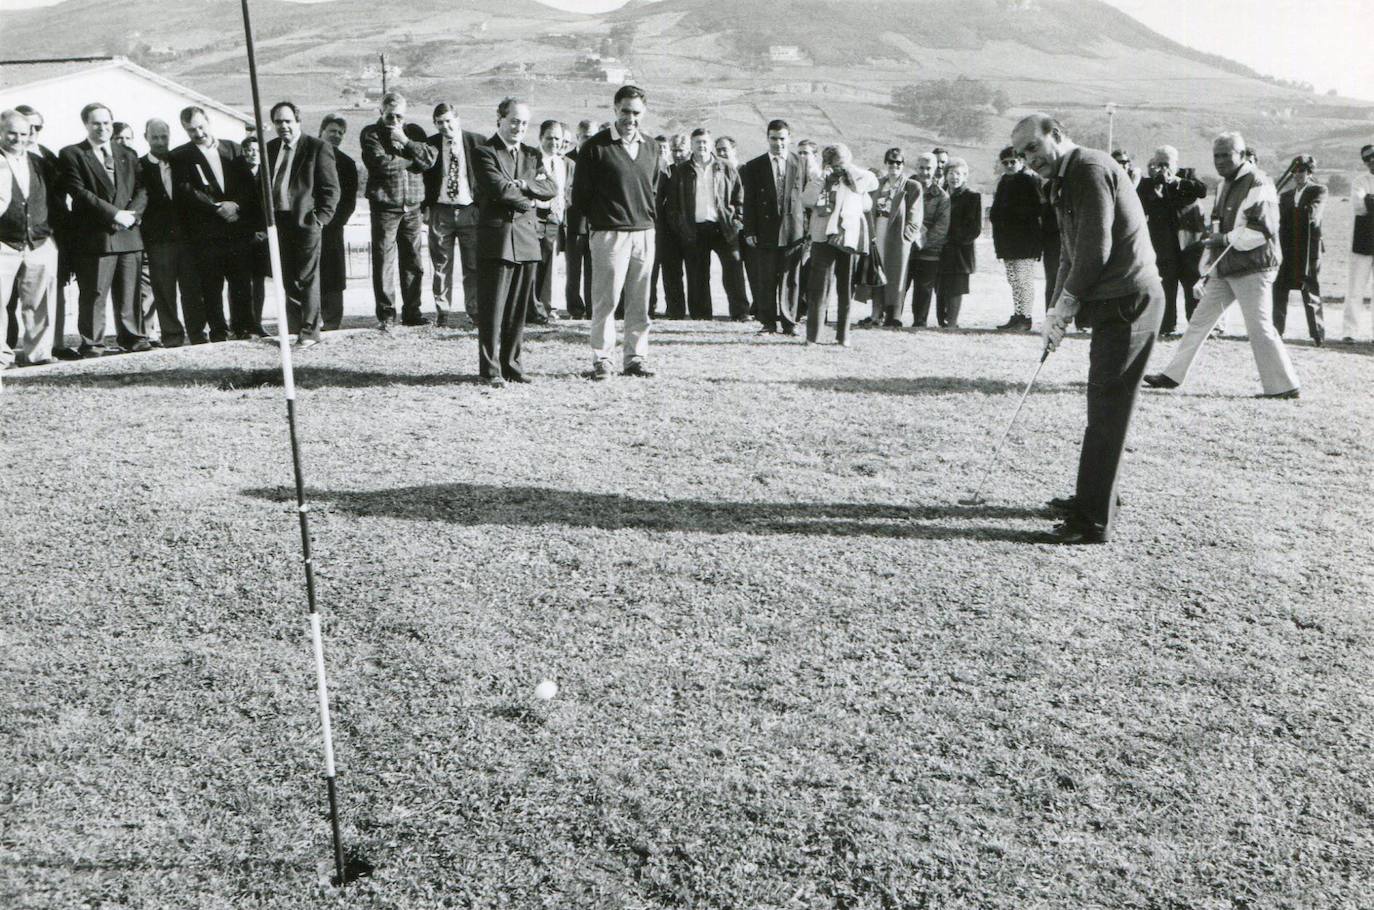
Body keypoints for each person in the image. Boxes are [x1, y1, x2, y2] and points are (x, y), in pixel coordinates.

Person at [1012, 113, 1163, 545]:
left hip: (1130, 300)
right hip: (1113, 301)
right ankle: (1094, 497)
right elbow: (1069, 253)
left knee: (1108, 409)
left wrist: (1069, 302)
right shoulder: (1062, 178)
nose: (1028, 160)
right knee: (1102, 405)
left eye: (1034, 149)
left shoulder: (1089, 169)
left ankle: (1093, 519)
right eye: (1022, 154)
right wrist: (1054, 312)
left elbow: (1096, 249)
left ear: (1056, 136)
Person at [1144, 132, 1299, 397]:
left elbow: (1263, 230)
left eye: (1226, 154)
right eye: (1216, 155)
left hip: (1254, 267)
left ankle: (1284, 386)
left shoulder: (1258, 182)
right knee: (1199, 323)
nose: (1220, 160)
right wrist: (1208, 265)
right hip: (1226, 267)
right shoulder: (1225, 184)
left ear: (1240, 154)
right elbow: (1217, 225)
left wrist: (1221, 239)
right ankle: (1172, 375)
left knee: (1259, 327)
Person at [571, 84, 662, 380]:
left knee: (639, 301)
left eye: (636, 112)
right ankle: (602, 359)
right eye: (625, 111)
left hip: (644, 233)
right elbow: (581, 197)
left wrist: (646, 223)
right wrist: (598, 225)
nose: (630, 118)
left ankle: (635, 358)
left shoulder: (652, 146)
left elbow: (654, 189)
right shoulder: (595, 147)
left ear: (644, 113)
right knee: (606, 300)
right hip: (609, 234)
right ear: (614, 109)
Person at [472, 97, 556, 386]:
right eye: (514, 121)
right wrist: (529, 199)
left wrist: (522, 184)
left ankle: (512, 366)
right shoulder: (484, 152)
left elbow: (551, 187)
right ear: (500, 118)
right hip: (497, 240)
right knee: (493, 310)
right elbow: (498, 190)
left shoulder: (533, 155)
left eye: (523, 123)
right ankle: (490, 370)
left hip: (525, 241)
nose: (519, 127)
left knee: (517, 311)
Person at [59, 101, 148, 356]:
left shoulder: (127, 153)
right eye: (96, 123)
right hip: (96, 236)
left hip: (129, 234)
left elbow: (142, 188)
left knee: (130, 292)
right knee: (94, 293)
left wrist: (132, 216)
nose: (102, 128)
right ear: (85, 124)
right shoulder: (72, 154)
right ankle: (93, 343)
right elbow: (78, 191)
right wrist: (114, 214)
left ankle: (133, 338)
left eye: (106, 122)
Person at [170, 105, 254, 343]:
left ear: (209, 122)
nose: (198, 133)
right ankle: (219, 330)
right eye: (191, 130)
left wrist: (235, 205)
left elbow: (248, 184)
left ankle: (243, 327)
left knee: (240, 282)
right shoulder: (180, 156)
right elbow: (187, 190)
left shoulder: (234, 149)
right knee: (211, 285)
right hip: (207, 231)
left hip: (236, 227)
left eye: (200, 127)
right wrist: (218, 208)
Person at [265, 100, 340, 348]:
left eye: (287, 121)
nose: (283, 126)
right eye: (278, 122)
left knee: (307, 277)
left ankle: (310, 332)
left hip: (306, 222)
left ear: (298, 121)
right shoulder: (271, 149)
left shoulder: (317, 148)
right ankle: (295, 328)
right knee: (287, 278)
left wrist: (320, 220)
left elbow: (331, 189)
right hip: (279, 222)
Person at [360, 92, 437, 328]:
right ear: (380, 113)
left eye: (399, 116)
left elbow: (430, 160)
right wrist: (413, 162)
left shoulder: (413, 132)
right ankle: (386, 315)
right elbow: (381, 165)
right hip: (385, 207)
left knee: (413, 261)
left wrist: (405, 142)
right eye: (390, 116)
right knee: (384, 261)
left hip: (413, 207)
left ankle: (412, 313)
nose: (395, 121)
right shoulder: (370, 133)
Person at [15, 105, 78, 360]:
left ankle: (53, 345)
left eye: (37, 127)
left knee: (50, 292)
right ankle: (7, 348)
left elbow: (60, 197)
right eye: (26, 127)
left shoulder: (48, 157)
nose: (32, 132)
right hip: (11, 237)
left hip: (48, 235)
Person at [667, 127, 748, 321]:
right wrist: (682, 226)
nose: (701, 146)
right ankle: (701, 314)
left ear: (710, 144)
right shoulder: (682, 171)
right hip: (694, 229)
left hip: (724, 228)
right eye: (697, 142)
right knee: (697, 275)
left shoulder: (725, 167)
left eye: (704, 142)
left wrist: (737, 221)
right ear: (691, 146)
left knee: (733, 271)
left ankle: (740, 312)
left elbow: (739, 197)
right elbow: (673, 204)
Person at [800, 143, 877, 346]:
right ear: (827, 163)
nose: (840, 168)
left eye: (844, 164)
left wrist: (852, 179)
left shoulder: (856, 178)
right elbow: (807, 200)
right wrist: (820, 179)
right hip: (823, 238)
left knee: (846, 287)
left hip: (848, 238)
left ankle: (843, 335)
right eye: (836, 165)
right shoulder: (819, 177)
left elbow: (868, 200)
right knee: (818, 289)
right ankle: (813, 335)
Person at [0, 109, 58, 366]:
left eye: (23, 133)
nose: (18, 138)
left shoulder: (39, 162)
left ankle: (39, 354)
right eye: (12, 133)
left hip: (38, 242)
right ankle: (2, 357)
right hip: (4, 242)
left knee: (38, 302)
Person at [740, 119, 808, 336]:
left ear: (789, 139)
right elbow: (748, 201)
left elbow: (807, 199)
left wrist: (806, 231)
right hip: (764, 230)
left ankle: (790, 322)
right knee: (766, 278)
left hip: (793, 231)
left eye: (782, 139)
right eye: (773, 138)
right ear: (767, 138)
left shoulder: (801, 164)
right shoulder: (753, 166)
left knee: (791, 279)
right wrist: (749, 230)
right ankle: (768, 322)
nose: (778, 143)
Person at [1136, 145, 1207, 337]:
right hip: (1163, 245)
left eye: (1166, 164)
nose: (1162, 169)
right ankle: (1167, 325)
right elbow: (1139, 206)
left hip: (1189, 244)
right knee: (1166, 285)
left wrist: (1175, 181)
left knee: (1192, 284)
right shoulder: (1148, 184)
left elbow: (1202, 190)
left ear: (1176, 163)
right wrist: (1155, 188)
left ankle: (1196, 327)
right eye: (1158, 164)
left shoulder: (1188, 176)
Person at [423, 103, 482, 327]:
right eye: (440, 122)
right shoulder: (431, 144)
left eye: (449, 121)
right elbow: (426, 176)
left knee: (473, 264)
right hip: (441, 210)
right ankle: (443, 312)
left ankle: (474, 311)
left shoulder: (477, 142)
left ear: (457, 119)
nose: (445, 126)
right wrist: (426, 207)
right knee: (440, 264)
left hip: (470, 209)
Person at [137, 118, 192, 347]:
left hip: (187, 237)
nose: (160, 142)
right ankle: (172, 336)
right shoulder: (139, 167)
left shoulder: (181, 161)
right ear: (146, 138)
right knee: (164, 291)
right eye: (155, 137)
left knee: (191, 288)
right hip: (158, 240)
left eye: (164, 137)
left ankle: (198, 333)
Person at [856, 148, 921, 328]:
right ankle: (876, 314)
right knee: (877, 273)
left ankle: (895, 315)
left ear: (903, 165)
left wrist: (906, 237)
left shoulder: (911, 186)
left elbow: (915, 216)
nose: (894, 166)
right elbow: (867, 208)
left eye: (898, 162)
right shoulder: (877, 184)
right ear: (885, 164)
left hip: (897, 237)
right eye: (891, 162)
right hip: (878, 232)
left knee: (897, 275)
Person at [1272, 155, 1326, 345]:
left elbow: (1311, 215)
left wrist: (1287, 213)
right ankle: (1276, 331)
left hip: (1308, 249)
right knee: (1279, 288)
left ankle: (1317, 333)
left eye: (1302, 171)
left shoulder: (1319, 190)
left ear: (1309, 173)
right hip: (1287, 248)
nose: (1297, 175)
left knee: (1310, 289)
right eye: (1295, 172)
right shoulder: (1285, 196)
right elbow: (1277, 218)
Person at [989, 146, 1042, 331]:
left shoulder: (1029, 181)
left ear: (1021, 161)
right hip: (1008, 241)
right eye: (1006, 163)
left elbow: (1037, 209)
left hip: (1024, 241)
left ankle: (1025, 317)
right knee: (1013, 280)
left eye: (1013, 162)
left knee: (1023, 280)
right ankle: (1018, 314)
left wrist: (1012, 214)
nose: (1010, 165)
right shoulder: (1003, 181)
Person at [529, 119, 571, 325]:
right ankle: (529, 307)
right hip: (534, 215)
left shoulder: (561, 163)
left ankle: (544, 309)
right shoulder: (531, 158)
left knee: (549, 265)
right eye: (549, 138)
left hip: (553, 218)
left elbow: (562, 193)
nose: (554, 142)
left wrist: (560, 215)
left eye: (558, 138)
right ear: (540, 138)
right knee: (531, 263)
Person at [317, 114, 357, 331]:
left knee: (332, 274)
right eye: (332, 131)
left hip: (332, 228)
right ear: (321, 130)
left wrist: (331, 221)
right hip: (305, 226)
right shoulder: (306, 155)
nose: (336, 136)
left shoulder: (347, 164)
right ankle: (306, 321)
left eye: (340, 133)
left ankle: (331, 322)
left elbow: (349, 201)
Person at [906, 151, 949, 328]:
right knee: (900, 284)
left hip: (928, 250)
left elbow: (941, 226)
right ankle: (892, 318)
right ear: (916, 168)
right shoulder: (905, 187)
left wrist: (922, 243)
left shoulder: (941, 196)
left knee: (923, 289)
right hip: (905, 246)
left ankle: (920, 321)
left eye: (928, 168)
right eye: (921, 168)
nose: (925, 172)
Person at [937, 157, 980, 329]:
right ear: (945, 175)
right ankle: (942, 321)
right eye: (951, 173)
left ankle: (952, 323)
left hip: (960, 251)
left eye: (959, 174)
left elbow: (974, 228)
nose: (955, 177)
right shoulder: (940, 195)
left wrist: (952, 239)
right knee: (940, 286)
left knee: (955, 288)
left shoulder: (972, 197)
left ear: (965, 177)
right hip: (939, 249)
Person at [653, 133, 689, 319]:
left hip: (681, 228)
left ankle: (676, 310)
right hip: (661, 228)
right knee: (656, 270)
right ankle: (649, 308)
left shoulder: (683, 170)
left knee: (674, 272)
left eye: (678, 150)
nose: (676, 154)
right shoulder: (660, 171)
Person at [562, 119, 596, 318]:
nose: (589, 141)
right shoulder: (567, 160)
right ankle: (575, 309)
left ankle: (592, 309)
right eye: (585, 137)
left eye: (592, 137)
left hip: (596, 225)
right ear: (577, 137)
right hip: (573, 224)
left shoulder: (599, 158)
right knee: (573, 271)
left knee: (594, 271)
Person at [1340, 144, 1374, 342]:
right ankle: (1349, 332)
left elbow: (1366, 204)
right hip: (1362, 243)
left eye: (1373, 156)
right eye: (1366, 158)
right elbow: (1359, 206)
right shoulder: (1359, 181)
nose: (1370, 160)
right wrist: (1368, 202)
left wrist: (1370, 201)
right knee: (1355, 289)